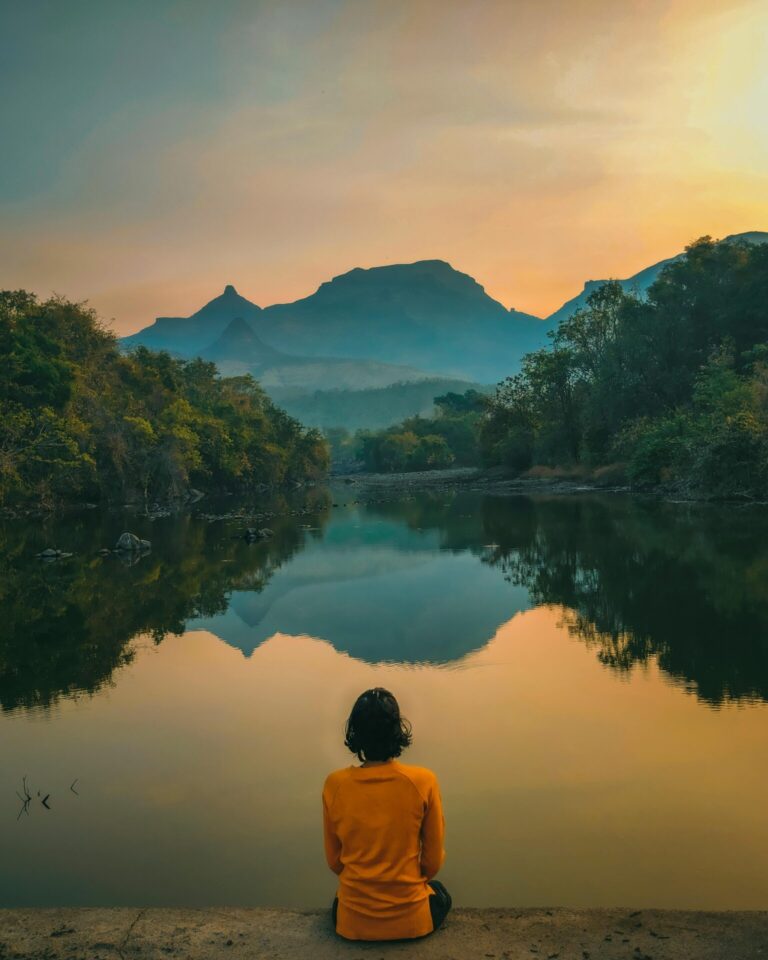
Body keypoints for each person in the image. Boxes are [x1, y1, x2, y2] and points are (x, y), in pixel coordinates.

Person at [322, 687, 452, 941]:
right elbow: (432, 863)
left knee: (341, 899)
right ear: (396, 731)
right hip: (413, 922)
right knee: (440, 893)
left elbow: (335, 862)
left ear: (355, 733)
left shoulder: (334, 785)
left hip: (351, 924)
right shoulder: (422, 782)